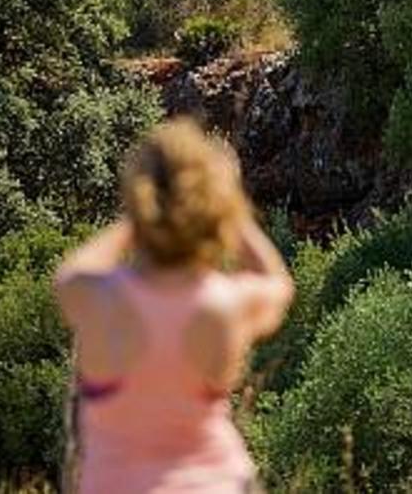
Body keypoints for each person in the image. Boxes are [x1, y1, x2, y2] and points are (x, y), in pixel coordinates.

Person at [56, 119, 295, 493]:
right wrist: (229, 209)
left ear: (139, 198)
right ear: (213, 207)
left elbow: (70, 273)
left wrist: (136, 223)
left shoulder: (102, 300)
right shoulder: (225, 303)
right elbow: (279, 284)